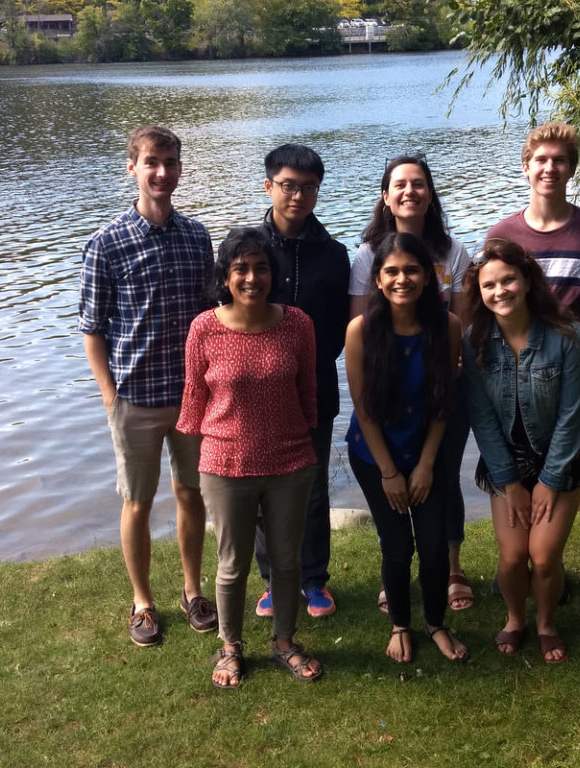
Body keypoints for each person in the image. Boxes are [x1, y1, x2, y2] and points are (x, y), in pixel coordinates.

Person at [79, 125, 218, 646]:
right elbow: (93, 328)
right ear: (132, 168)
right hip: (134, 399)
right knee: (137, 501)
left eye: (171, 162)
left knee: (191, 493)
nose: (162, 172)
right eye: (152, 162)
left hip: (191, 397)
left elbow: (209, 316)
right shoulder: (106, 244)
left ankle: (192, 590)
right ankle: (142, 602)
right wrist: (110, 397)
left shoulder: (197, 236)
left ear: (180, 169)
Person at [178, 227, 323, 689]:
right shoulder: (204, 328)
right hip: (225, 465)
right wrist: (193, 468)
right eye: (240, 268)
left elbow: (308, 393)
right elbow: (193, 400)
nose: (252, 277)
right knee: (232, 563)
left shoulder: (298, 323)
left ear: (271, 273)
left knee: (286, 561)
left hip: (289, 460)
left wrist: (304, 446)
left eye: (261, 267)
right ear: (225, 276)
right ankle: (230, 647)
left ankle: (285, 642)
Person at [349, 155, 474, 615]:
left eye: (419, 184)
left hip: (439, 385)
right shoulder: (368, 255)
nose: (409, 192)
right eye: (399, 184)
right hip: (389, 387)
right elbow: (361, 326)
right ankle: (397, 573)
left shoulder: (453, 252)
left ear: (430, 193)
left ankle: (451, 567)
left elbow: (462, 322)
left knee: (443, 475)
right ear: (385, 196)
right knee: (395, 492)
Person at [463, 239, 580, 663]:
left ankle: (546, 623)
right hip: (508, 462)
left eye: (508, 280)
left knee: (544, 555)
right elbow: (481, 417)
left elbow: (574, 415)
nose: (500, 291)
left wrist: (551, 482)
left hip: (559, 457)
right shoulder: (474, 339)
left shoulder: (566, 335)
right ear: (479, 293)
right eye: (489, 285)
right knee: (514, 556)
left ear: (526, 280)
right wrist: (510, 482)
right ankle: (516, 618)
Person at [345, 231, 467, 664]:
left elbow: (443, 403)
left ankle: (435, 623)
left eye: (411, 270)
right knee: (397, 546)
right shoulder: (360, 331)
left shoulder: (447, 326)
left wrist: (427, 464)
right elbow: (363, 409)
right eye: (391, 271)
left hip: (428, 451)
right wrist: (390, 472)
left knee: (434, 545)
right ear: (377, 279)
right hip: (374, 454)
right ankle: (400, 623)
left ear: (428, 276)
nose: (402, 279)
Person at [486, 121, 580, 486]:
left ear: (572, 168)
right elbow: (490, 308)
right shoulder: (503, 235)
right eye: (541, 160)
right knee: (516, 484)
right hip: (514, 378)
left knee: (564, 484)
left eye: (559, 160)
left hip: (576, 380)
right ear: (525, 167)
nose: (550, 169)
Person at [252, 144, 350, 620]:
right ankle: (271, 580)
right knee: (262, 487)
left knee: (311, 487)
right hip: (254, 392)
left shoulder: (333, 254)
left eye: (309, 187)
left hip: (314, 387)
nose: (298, 195)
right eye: (289, 185)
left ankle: (314, 580)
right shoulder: (247, 246)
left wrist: (303, 367)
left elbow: (337, 328)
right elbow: (223, 312)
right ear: (269, 186)